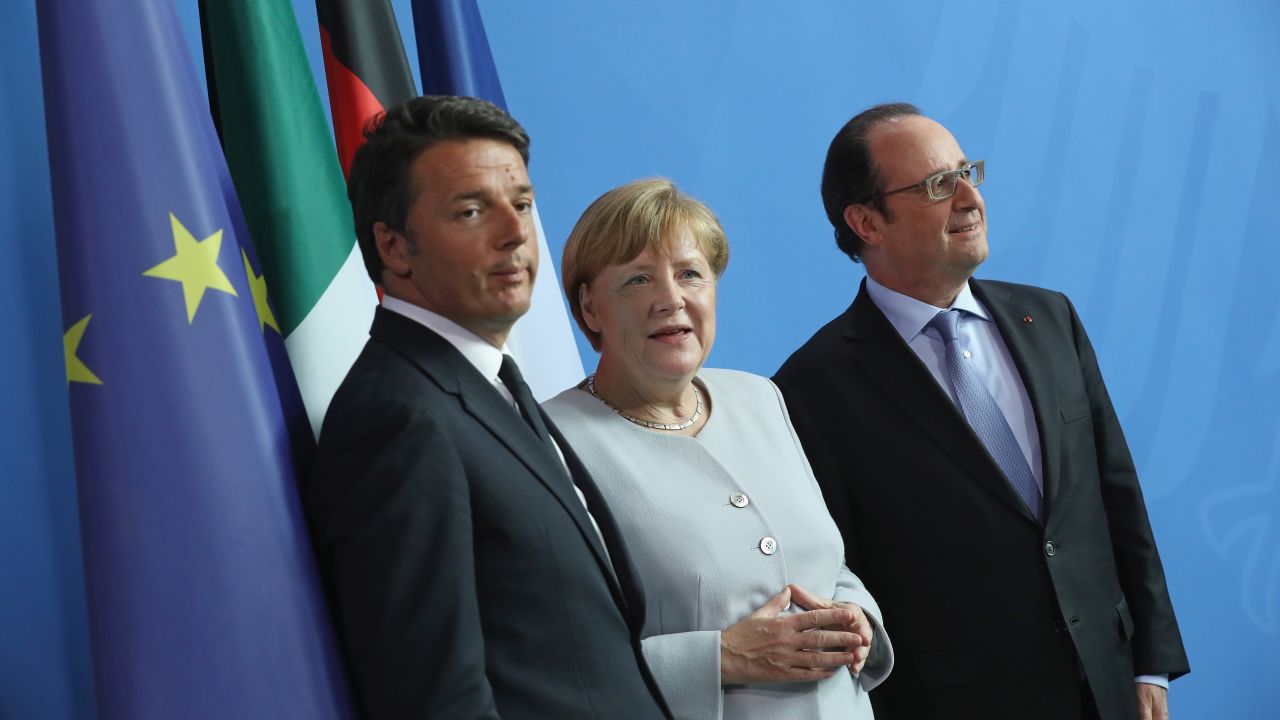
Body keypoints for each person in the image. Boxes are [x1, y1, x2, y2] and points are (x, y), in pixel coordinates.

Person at [773, 103, 1190, 720]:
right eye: (939, 185)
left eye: (968, 172)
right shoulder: (810, 388)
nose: (970, 196)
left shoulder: (1050, 318)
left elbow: (1114, 491)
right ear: (867, 221)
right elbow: (838, 579)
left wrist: (1150, 660)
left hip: (1108, 682)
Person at [303, 96, 672, 719]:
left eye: (522, 204)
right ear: (394, 247)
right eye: (472, 211)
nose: (515, 233)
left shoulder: (496, 385)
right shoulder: (397, 417)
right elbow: (432, 697)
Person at [543, 178, 894, 720]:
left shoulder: (759, 398)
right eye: (638, 279)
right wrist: (720, 658)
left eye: (690, 274)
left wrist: (857, 617)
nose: (671, 299)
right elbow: (551, 661)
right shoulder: (547, 443)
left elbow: (825, 563)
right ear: (590, 308)